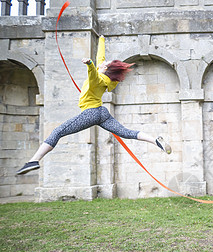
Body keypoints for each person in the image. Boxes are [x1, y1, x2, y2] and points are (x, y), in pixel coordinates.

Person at [17, 35, 171, 175]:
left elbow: (93, 73)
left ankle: (34, 160)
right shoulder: (106, 77)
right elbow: (101, 56)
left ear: (105, 69)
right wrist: (101, 40)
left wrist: (89, 64)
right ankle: (155, 141)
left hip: (91, 113)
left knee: (57, 131)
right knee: (125, 132)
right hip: (102, 112)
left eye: (105, 63)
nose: (103, 62)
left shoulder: (98, 78)